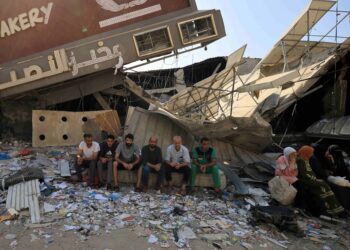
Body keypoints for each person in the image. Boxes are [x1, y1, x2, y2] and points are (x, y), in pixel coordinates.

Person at [297, 146, 344, 216]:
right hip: (307, 180)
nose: (312, 154)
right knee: (324, 186)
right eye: (310, 153)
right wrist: (315, 179)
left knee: (325, 185)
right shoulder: (301, 161)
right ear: (306, 153)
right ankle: (330, 210)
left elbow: (312, 172)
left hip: (312, 178)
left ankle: (334, 209)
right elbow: (305, 174)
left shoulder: (306, 160)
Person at [310, 145, 350, 210]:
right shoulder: (316, 160)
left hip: (336, 177)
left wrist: (332, 162)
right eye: (326, 151)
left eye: (328, 152)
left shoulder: (337, 159)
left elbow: (340, 171)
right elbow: (321, 173)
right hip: (325, 179)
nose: (327, 153)